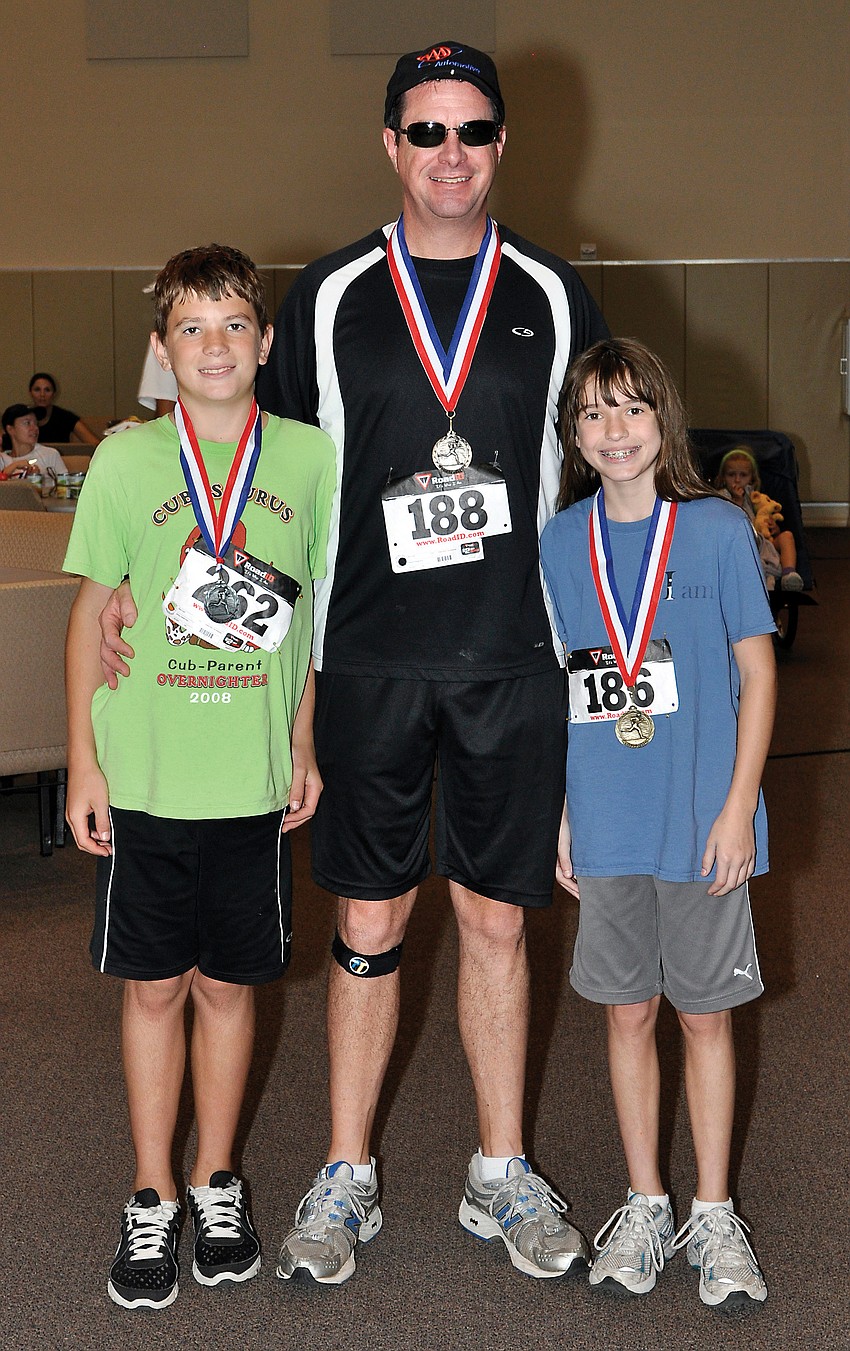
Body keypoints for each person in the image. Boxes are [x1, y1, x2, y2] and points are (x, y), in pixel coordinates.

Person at [100, 40, 608, 1287]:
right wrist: (130, 517)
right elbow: (237, 442)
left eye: (472, 132)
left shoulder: (550, 290)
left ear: (501, 145)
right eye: (425, 132)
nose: (450, 155)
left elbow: (602, 462)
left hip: (513, 660)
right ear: (389, 145)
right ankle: (347, 1169)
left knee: (496, 922)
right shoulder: (327, 294)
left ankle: (501, 1168)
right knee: (368, 925)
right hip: (366, 659)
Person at [63, 243, 336, 1311]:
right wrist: (84, 758)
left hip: (250, 785)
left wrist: (304, 746)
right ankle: (149, 1192)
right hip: (145, 779)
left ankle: (215, 1178)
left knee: (229, 987)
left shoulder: (310, 457)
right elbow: (93, 612)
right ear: (159, 346)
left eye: (233, 326)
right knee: (153, 987)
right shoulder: (129, 459)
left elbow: (307, 622)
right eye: (191, 328)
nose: (213, 346)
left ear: (265, 341)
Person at [540, 338, 776, 1311]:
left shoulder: (715, 530)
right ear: (574, 435)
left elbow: (757, 674)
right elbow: (567, 685)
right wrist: (562, 810)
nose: (614, 429)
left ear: (662, 419)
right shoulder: (562, 540)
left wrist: (736, 807)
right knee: (626, 1012)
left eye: (632, 408)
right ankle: (644, 1199)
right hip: (607, 819)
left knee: (705, 1018)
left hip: (698, 820)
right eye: (593, 414)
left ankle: (712, 1210)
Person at [715, 446, 803, 590]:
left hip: (763, 543)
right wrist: (737, 501)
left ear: (751, 478)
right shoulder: (721, 496)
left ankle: (789, 575)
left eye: (743, 475)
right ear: (723, 477)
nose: (737, 480)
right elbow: (727, 523)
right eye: (731, 475)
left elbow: (763, 517)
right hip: (738, 545)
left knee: (787, 536)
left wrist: (773, 528)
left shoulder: (755, 497)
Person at [28, 371, 99, 445]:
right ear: (30, 392)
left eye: (47, 390)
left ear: (54, 394)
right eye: (37, 390)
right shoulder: (22, 417)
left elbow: (94, 443)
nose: (42, 394)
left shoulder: (65, 417)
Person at [0, 403, 68, 479]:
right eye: (27, 423)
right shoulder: (2, 460)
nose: (35, 428)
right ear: (10, 429)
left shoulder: (50, 454)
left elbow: (66, 485)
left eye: (36, 423)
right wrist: (13, 466)